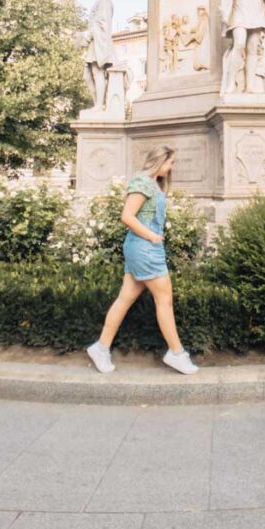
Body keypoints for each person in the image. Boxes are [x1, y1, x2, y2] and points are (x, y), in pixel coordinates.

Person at [86, 145, 198, 376]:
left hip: (145, 248)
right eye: (170, 162)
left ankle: (100, 348)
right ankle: (176, 354)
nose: (172, 167)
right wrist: (152, 236)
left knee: (125, 299)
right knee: (164, 299)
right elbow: (126, 216)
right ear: (159, 161)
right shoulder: (142, 182)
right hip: (145, 248)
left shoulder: (153, 184)